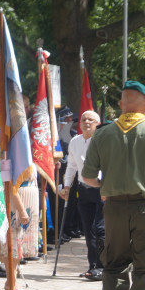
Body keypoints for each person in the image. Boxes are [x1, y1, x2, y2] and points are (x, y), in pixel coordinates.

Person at [82, 80, 145, 290]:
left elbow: (87, 177)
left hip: (114, 207)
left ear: (120, 104)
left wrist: (106, 187)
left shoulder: (102, 134)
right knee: (143, 269)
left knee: (114, 264)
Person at [61, 110, 104, 280]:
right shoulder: (75, 141)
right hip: (83, 189)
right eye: (84, 119)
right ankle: (93, 265)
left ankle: (102, 266)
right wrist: (66, 186)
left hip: (101, 188)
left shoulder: (102, 141)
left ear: (97, 123)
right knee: (88, 229)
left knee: (100, 229)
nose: (87, 122)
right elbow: (71, 165)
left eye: (91, 119)